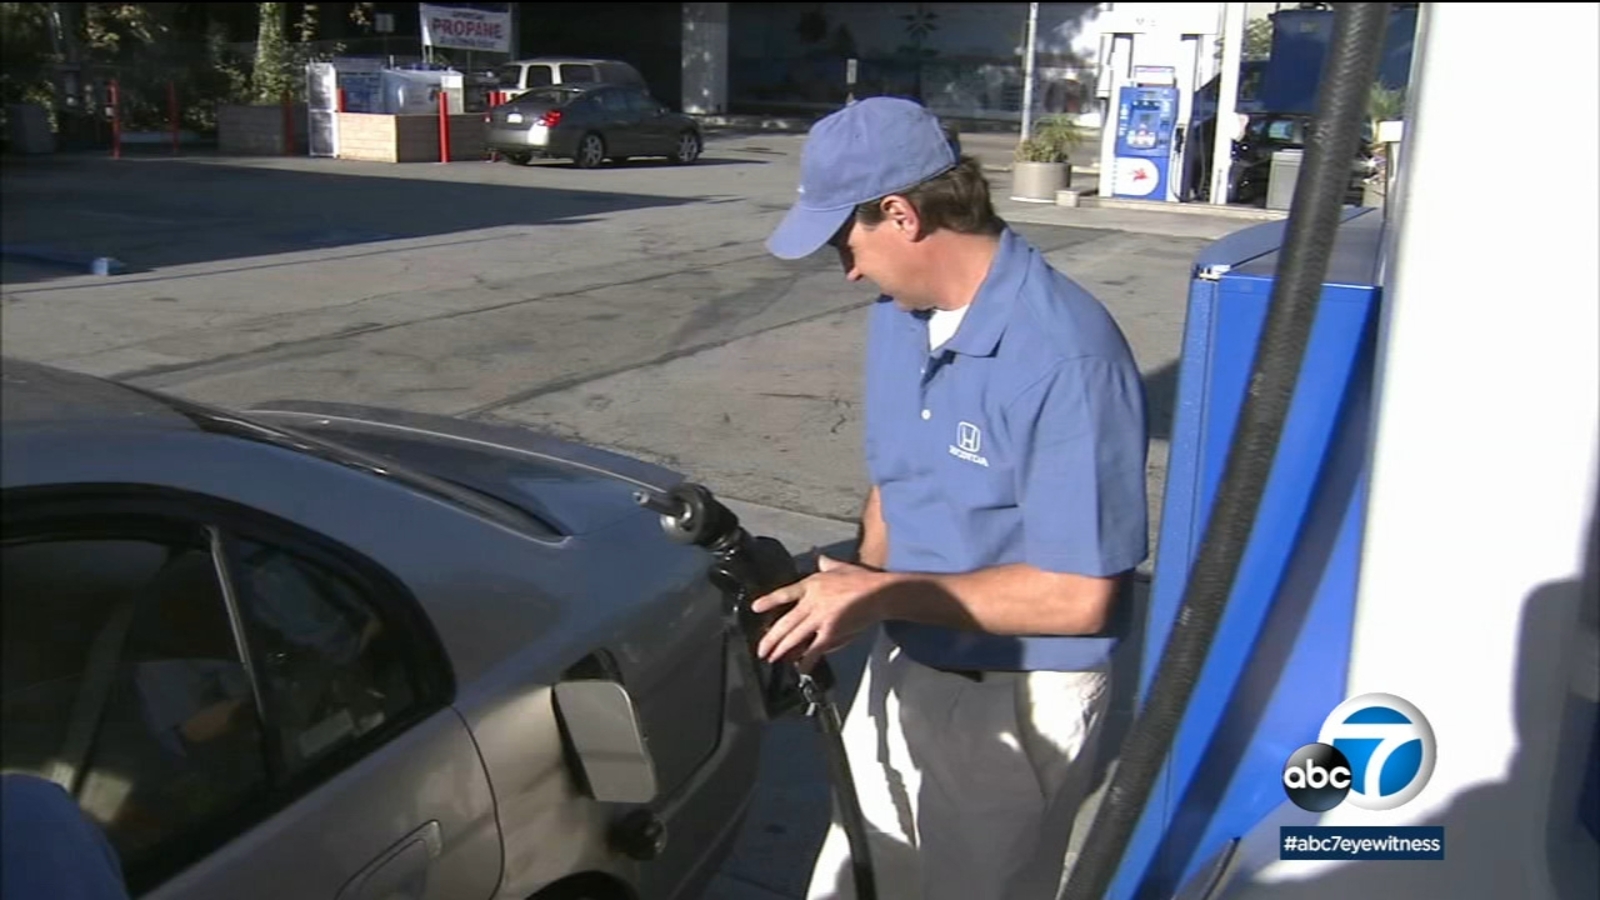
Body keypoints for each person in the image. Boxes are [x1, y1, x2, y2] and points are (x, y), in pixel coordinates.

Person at [751, 97, 1149, 900]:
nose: (848, 269)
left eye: (843, 240)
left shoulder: (1065, 358)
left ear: (901, 214)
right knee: (857, 881)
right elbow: (896, 487)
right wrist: (848, 593)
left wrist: (878, 594)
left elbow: (1081, 598)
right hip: (905, 661)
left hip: (1015, 700)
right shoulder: (899, 322)